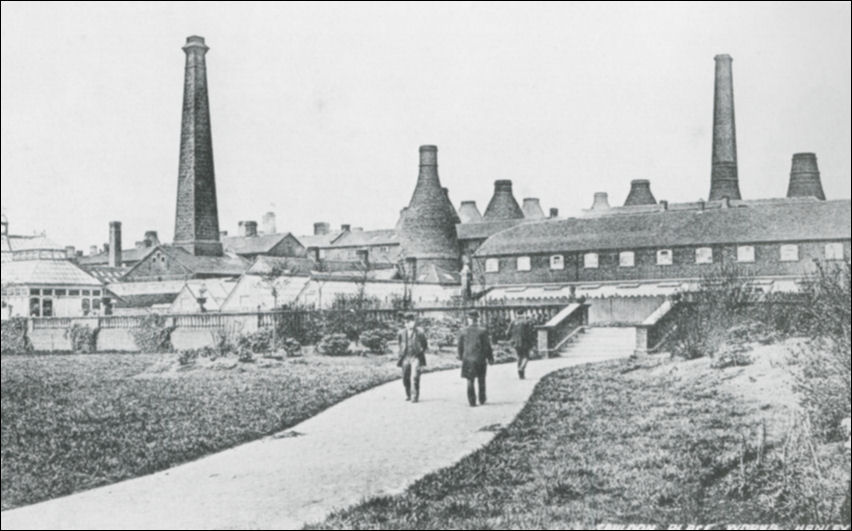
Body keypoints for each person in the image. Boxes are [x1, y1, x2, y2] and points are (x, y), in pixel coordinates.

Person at [457, 310, 494, 407]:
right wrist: (490, 358)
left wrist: (460, 356)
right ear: (477, 319)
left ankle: (472, 401)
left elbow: (460, 346)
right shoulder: (483, 331)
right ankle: (482, 398)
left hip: (468, 358)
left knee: (470, 380)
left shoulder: (463, 331)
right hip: (480, 358)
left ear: (468, 319)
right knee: (481, 379)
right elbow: (487, 346)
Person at [396, 312, 428, 403]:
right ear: (405, 323)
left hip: (416, 357)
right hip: (405, 357)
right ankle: (408, 394)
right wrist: (401, 353)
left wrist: (420, 352)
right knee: (405, 377)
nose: (410, 324)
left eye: (412, 321)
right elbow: (400, 344)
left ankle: (415, 396)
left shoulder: (420, 333)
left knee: (415, 376)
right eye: (408, 322)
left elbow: (425, 345)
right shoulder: (401, 333)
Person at [507, 308, 535, 379]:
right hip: (525, 341)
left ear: (517, 314)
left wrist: (511, 338)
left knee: (519, 356)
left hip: (515, 342)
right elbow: (529, 333)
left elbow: (507, 332)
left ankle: (521, 375)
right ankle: (522, 368)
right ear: (523, 314)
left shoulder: (513, 322)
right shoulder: (526, 322)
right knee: (526, 356)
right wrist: (531, 343)